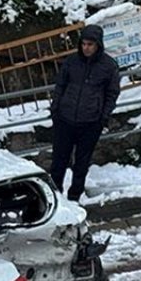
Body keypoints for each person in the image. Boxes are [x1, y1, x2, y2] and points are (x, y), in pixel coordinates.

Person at [49, 24, 121, 202]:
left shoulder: (109, 66)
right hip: (65, 119)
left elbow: (112, 93)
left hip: (90, 123)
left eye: (90, 44)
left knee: (81, 164)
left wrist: (102, 117)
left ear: (98, 45)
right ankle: (55, 197)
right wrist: (55, 109)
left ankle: (74, 197)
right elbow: (60, 86)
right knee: (58, 162)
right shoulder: (71, 62)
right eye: (84, 44)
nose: (86, 48)